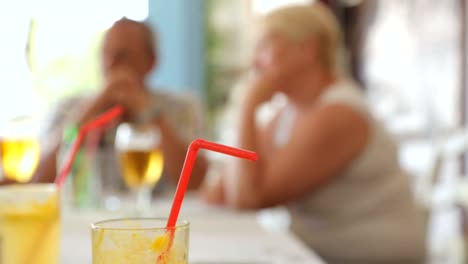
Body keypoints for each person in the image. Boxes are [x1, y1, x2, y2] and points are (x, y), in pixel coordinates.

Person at [201, 3, 427, 263]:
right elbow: (222, 192)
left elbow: (246, 199)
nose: (254, 62)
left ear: (307, 49)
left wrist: (247, 105)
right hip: (317, 248)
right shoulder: (288, 111)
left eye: (264, 47)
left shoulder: (339, 114)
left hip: (370, 253)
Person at [27, 18, 207, 189]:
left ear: (151, 62)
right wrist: (87, 115)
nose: (112, 64)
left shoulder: (182, 107)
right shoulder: (68, 108)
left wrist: (149, 112)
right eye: (106, 54)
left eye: (123, 56)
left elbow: (197, 183)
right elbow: (38, 183)